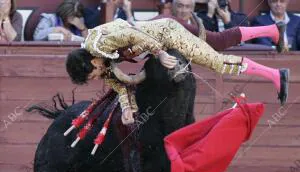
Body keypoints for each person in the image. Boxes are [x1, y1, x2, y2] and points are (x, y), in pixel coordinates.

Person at [66, 18, 289, 126]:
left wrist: (161, 53)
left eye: (92, 75)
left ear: (92, 64)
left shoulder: (101, 42)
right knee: (218, 43)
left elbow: (134, 35)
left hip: (167, 33)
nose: (96, 78)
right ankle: (271, 31)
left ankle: (275, 75)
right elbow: (120, 86)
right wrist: (128, 110)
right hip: (157, 40)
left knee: (217, 61)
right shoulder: (101, 62)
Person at [155, 0, 286, 52]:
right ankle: (271, 30)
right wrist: (210, 13)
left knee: (219, 40)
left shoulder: (239, 17)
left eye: (187, 7)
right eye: (180, 6)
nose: (183, 10)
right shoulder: (167, 18)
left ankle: (272, 30)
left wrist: (228, 21)